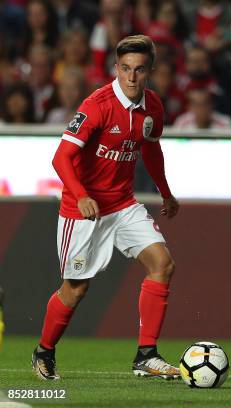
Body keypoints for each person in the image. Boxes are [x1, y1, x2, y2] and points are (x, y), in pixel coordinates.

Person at [32, 35, 181, 381]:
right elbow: (61, 157)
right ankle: (44, 350)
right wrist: (82, 195)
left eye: (139, 70)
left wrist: (166, 193)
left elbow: (151, 150)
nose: (131, 77)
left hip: (123, 203)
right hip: (82, 210)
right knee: (76, 289)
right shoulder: (97, 105)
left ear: (150, 72)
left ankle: (146, 355)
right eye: (125, 69)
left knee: (163, 264)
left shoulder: (153, 107)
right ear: (116, 68)